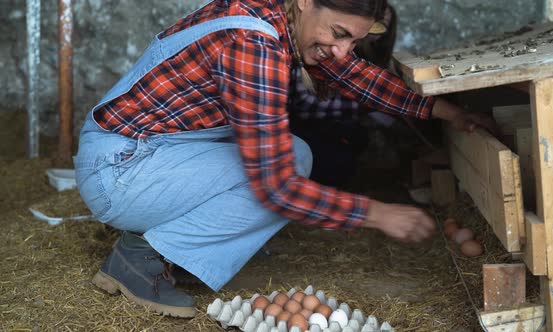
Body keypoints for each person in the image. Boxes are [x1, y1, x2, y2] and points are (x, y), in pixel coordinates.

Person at [74, 0, 496, 318]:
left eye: (354, 39)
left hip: (152, 155)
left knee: (297, 153)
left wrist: (448, 112)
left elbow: (355, 76)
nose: (344, 50)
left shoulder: (277, 17)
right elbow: (276, 187)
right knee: (289, 167)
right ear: (306, 2)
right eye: (338, 33)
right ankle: (139, 256)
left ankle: (171, 251)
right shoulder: (252, 44)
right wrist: (375, 214)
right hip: (122, 172)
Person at [288, 4, 398, 187]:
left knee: (357, 139)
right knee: (339, 157)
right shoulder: (317, 46)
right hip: (310, 123)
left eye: (379, 25)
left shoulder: (369, 55)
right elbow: (308, 103)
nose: (372, 29)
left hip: (338, 123)